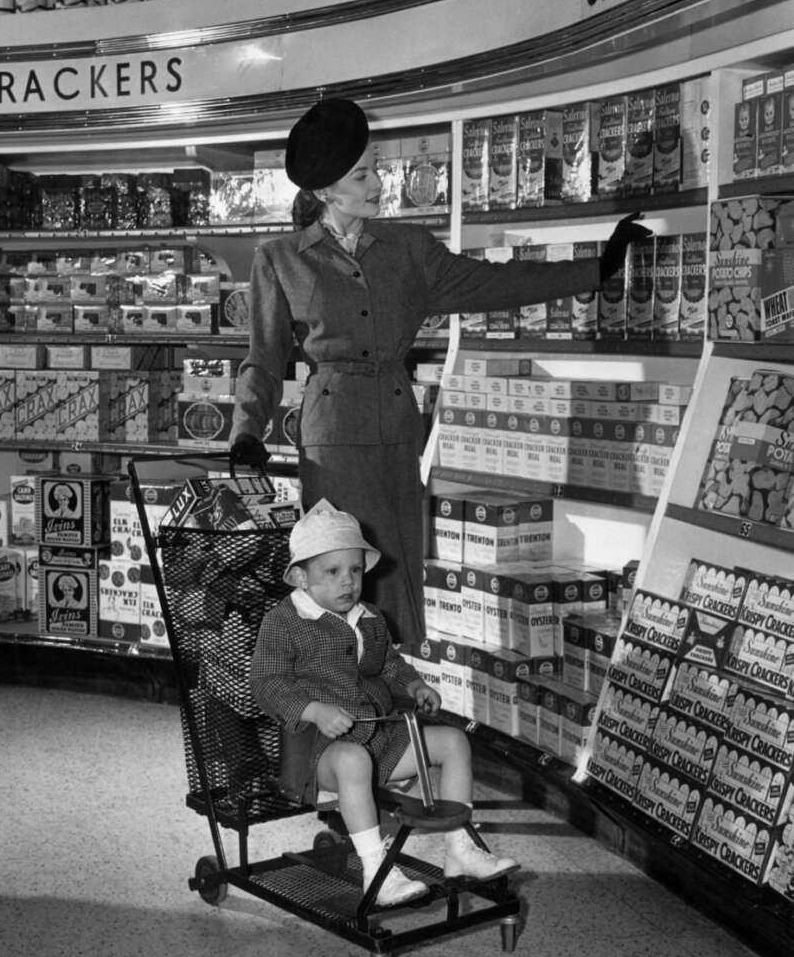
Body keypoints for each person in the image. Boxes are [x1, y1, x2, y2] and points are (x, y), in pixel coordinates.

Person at [230, 96, 651, 650]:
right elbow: (263, 356)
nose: (378, 183)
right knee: (338, 572)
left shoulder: (409, 249)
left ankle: (396, 700)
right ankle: (338, 698)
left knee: (395, 562)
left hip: (401, 428)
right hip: (332, 439)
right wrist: (245, 431)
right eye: (363, 175)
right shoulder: (280, 257)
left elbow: (493, 283)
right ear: (326, 191)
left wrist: (598, 267)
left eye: (375, 168)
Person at [251, 499, 519, 907]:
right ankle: (378, 870)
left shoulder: (369, 617)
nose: (348, 583)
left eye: (356, 571)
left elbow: (388, 666)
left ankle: (459, 848)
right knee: (353, 761)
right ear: (301, 578)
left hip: (381, 739)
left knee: (453, 742)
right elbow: (267, 683)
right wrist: (314, 710)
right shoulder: (284, 622)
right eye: (333, 572)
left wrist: (413, 686)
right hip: (318, 754)